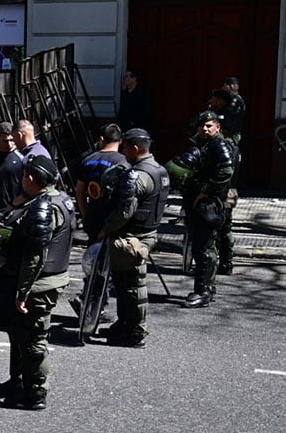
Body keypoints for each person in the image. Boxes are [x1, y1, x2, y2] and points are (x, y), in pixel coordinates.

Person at [0, 157, 73, 411]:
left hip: (39, 284)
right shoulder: (60, 199)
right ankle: (19, 382)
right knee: (19, 334)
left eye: (24, 175)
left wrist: (23, 292)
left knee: (34, 338)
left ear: (31, 179)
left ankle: (36, 392)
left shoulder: (43, 208)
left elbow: (35, 255)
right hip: (44, 280)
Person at [85, 128, 168, 348]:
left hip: (133, 237)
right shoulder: (159, 170)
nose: (123, 152)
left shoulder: (139, 176)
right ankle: (125, 323)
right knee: (124, 284)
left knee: (133, 285)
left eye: (125, 148)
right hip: (147, 233)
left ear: (135, 148)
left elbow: (125, 210)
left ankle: (135, 331)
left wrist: (106, 229)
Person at [172, 113, 238, 308]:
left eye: (209, 125)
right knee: (204, 247)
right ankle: (208, 288)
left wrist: (205, 191)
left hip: (208, 203)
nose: (205, 129)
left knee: (204, 249)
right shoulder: (204, 144)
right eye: (202, 125)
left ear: (217, 127)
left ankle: (202, 291)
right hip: (198, 201)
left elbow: (227, 170)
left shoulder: (218, 144)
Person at [0, 119, 50, 211]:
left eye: (13, 139)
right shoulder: (42, 151)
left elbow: (32, 189)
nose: (12, 143)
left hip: (30, 208)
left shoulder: (30, 157)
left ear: (19, 135)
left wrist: (13, 205)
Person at [76, 123, 126, 217]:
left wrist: (85, 215)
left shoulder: (87, 160)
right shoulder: (123, 162)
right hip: (114, 218)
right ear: (120, 141)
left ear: (101, 139)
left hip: (94, 215)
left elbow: (80, 191)